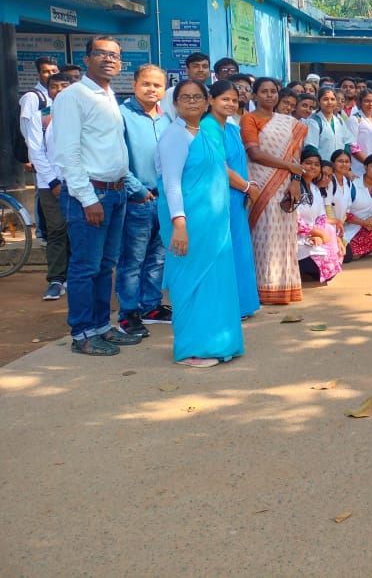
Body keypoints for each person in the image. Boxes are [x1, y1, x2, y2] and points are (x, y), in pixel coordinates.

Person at [51, 36, 139, 356]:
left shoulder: (108, 95)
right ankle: (82, 333)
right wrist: (87, 198)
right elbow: (68, 153)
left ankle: (102, 326)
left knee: (105, 266)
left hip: (115, 192)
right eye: (101, 54)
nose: (109, 59)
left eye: (114, 55)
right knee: (85, 267)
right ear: (87, 59)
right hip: (91, 194)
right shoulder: (73, 96)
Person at [156, 80, 244, 367]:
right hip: (188, 223)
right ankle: (192, 348)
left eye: (197, 97)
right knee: (190, 283)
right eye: (185, 97)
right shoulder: (174, 136)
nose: (192, 101)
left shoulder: (204, 133)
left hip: (214, 225)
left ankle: (218, 343)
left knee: (215, 283)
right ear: (175, 103)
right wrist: (179, 224)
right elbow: (171, 184)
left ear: (206, 101)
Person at [240, 77, 307, 305]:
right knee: (264, 235)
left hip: (286, 186)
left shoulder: (289, 123)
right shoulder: (249, 119)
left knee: (285, 237)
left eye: (273, 91)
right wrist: (289, 167)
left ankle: (285, 287)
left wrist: (295, 180)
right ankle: (262, 288)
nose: (269, 95)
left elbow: (296, 157)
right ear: (254, 96)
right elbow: (255, 154)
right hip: (261, 184)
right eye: (264, 91)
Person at [116, 64, 172, 337]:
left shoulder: (165, 118)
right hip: (137, 200)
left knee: (158, 258)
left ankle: (151, 306)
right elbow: (116, 158)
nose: (152, 89)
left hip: (164, 200)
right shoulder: (121, 115)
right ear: (134, 84)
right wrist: (137, 191)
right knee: (132, 261)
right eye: (146, 84)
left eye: (157, 85)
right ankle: (128, 313)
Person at [203, 80, 261, 319]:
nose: (230, 104)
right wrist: (247, 187)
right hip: (219, 198)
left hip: (237, 198)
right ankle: (226, 307)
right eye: (224, 99)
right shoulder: (208, 127)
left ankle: (240, 304)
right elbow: (220, 167)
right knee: (223, 252)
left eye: (234, 100)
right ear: (211, 100)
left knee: (239, 250)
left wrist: (248, 187)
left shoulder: (231, 127)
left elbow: (240, 163)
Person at [22, 61, 67, 301]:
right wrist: (53, 182)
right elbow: (36, 151)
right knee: (57, 230)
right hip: (50, 185)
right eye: (54, 86)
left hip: (79, 183)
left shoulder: (82, 115)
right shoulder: (41, 117)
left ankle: (77, 276)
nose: (58, 90)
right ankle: (57, 280)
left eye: (63, 86)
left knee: (80, 230)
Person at [296, 145, 343, 283]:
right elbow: (295, 220)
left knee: (330, 270)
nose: (312, 167)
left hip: (313, 237)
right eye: (308, 163)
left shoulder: (315, 189)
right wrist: (317, 233)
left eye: (316, 164)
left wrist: (319, 236)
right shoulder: (295, 187)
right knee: (320, 268)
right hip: (297, 238)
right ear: (299, 164)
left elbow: (321, 218)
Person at [340, 154, 372, 261]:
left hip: (369, 228)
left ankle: (358, 251)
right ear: (365, 167)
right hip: (350, 228)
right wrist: (363, 223)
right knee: (346, 256)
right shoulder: (352, 185)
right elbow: (344, 213)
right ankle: (356, 251)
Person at [305, 87, 354, 160]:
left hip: (339, 165)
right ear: (318, 102)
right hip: (323, 164)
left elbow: (346, 143)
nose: (330, 102)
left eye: (332, 99)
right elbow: (311, 147)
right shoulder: (313, 122)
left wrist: (345, 160)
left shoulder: (339, 121)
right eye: (325, 99)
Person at [164, 52, 210, 121]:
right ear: (187, 70)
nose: (201, 70)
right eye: (195, 66)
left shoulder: (211, 93)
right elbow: (168, 119)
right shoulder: (172, 92)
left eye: (205, 66)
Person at [350, 90, 372, 175]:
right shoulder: (354, 119)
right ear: (360, 102)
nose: (371, 104)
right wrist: (369, 163)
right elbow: (352, 146)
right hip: (360, 168)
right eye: (367, 101)